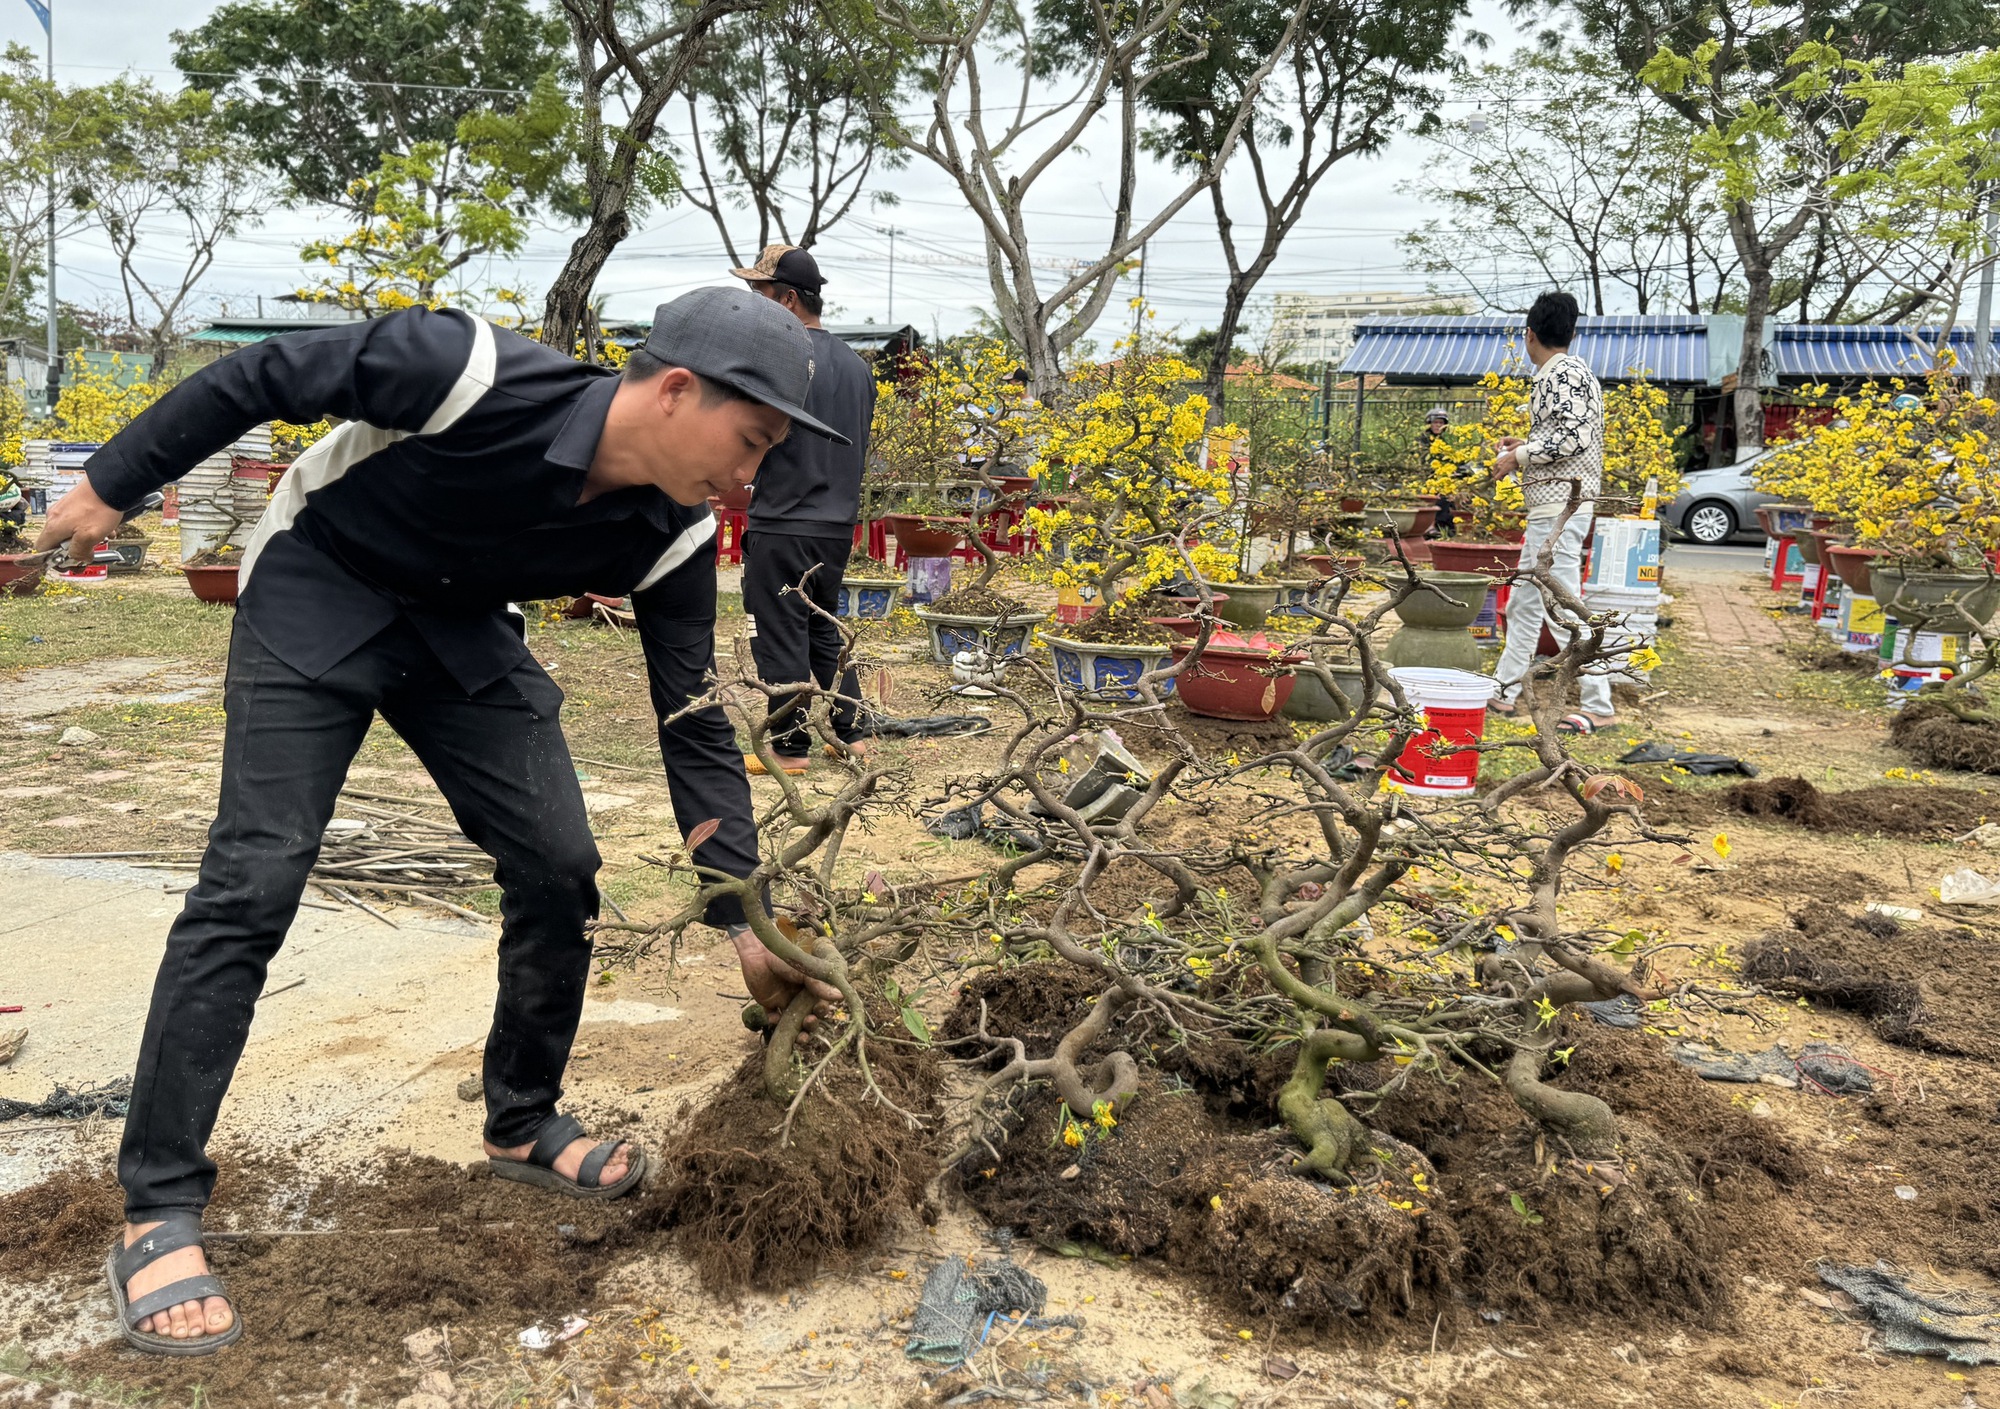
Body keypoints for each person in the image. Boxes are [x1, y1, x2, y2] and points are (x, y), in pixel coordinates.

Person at [35, 287, 845, 1356]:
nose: (750, 477)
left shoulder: (673, 535)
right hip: (321, 588)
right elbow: (262, 374)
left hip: (458, 632)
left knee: (559, 860)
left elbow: (692, 725)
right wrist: (111, 481)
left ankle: (523, 1118)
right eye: (748, 442)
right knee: (255, 880)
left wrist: (746, 920)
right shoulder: (462, 368)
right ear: (676, 390)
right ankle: (158, 1205)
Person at [728, 245, 879, 775]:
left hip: (784, 520)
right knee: (822, 624)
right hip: (835, 524)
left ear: (788, 299)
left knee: (780, 628)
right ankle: (853, 734)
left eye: (760, 294)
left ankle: (788, 748)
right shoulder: (857, 367)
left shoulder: (780, 361)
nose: (754, 304)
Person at [1489, 291, 1617, 733]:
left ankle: (1599, 703)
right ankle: (1504, 691)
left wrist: (1519, 456)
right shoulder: (1567, 372)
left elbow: (1573, 438)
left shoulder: (1560, 373)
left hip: (1560, 505)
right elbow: (1564, 434)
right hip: (1551, 504)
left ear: (1529, 334)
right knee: (1525, 602)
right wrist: (1521, 447)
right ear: (1572, 332)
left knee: (1563, 604)